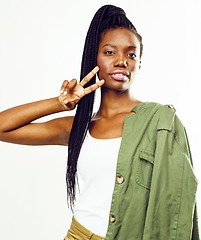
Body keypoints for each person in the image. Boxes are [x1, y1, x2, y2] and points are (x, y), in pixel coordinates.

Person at [0, 4, 199, 240]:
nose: (122, 61)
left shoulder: (160, 122)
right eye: (109, 52)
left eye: (131, 54)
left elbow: (176, 205)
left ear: (140, 64)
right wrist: (59, 103)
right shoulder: (79, 127)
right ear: (94, 58)